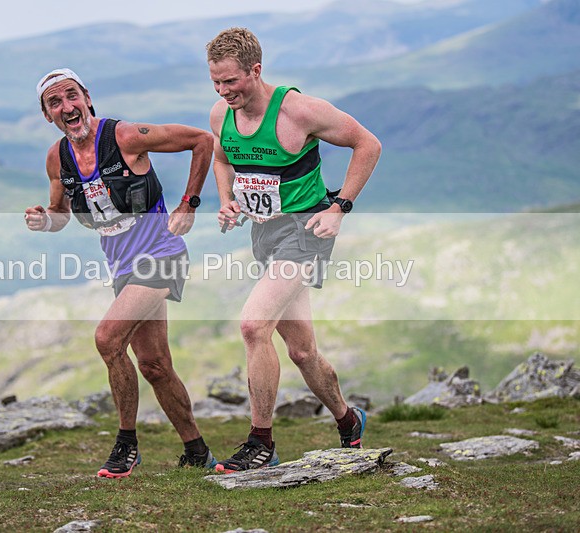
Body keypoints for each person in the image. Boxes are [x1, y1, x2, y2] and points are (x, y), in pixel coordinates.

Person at [206, 28, 382, 473]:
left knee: (253, 325)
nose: (223, 91)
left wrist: (340, 208)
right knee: (302, 351)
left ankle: (261, 442)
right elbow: (222, 158)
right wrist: (227, 200)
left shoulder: (299, 111)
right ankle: (348, 418)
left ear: (256, 70)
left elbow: (368, 144)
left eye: (231, 81)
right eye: (216, 82)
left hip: (306, 232)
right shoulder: (221, 114)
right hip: (265, 234)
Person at [25, 68, 215, 478]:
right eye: (55, 102)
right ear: (47, 115)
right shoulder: (57, 158)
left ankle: (126, 445)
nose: (66, 106)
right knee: (154, 365)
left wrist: (189, 203)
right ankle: (197, 451)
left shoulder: (125, 136)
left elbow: (202, 140)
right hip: (123, 268)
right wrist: (44, 221)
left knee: (108, 339)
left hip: (161, 255)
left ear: (87, 98)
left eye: (71, 96)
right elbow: (59, 213)